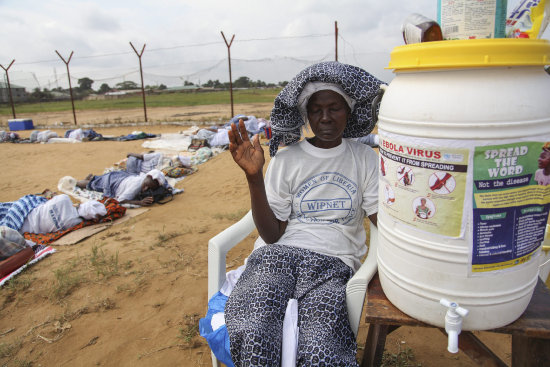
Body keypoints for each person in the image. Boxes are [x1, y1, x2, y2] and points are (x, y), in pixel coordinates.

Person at [224, 61, 383, 366]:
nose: (325, 117)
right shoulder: (287, 159)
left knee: (320, 347)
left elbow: (380, 220)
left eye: (334, 107)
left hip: (334, 263)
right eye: (316, 109)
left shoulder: (364, 158)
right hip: (276, 257)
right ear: (306, 115)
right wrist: (255, 178)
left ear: (348, 111)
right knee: (254, 330)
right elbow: (272, 235)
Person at [76, 169, 169, 206]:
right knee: (91, 185)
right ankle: (77, 183)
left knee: (98, 179)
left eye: (149, 188)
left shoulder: (147, 177)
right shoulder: (135, 186)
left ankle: (94, 178)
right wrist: (139, 202)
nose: (145, 189)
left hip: (122, 176)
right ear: (147, 177)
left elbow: (165, 185)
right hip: (112, 182)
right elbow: (120, 200)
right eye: (146, 186)